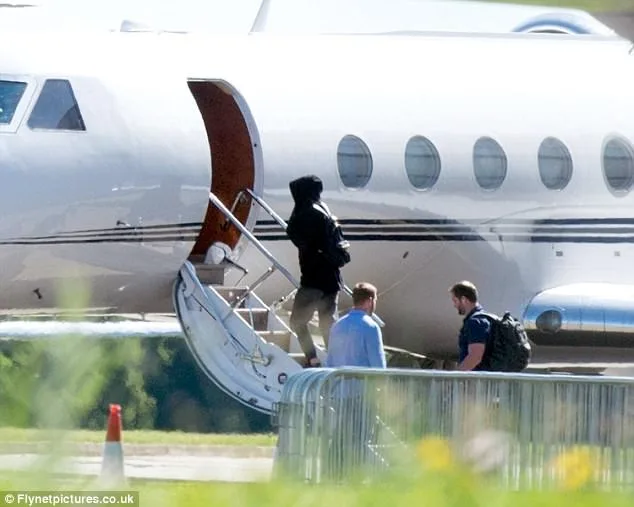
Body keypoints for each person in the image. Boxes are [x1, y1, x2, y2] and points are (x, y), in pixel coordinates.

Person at [286, 175, 351, 367]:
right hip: (333, 279)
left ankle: (312, 358)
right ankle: (335, 360)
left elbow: (293, 233)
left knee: (297, 321)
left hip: (313, 280)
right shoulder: (324, 209)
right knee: (328, 323)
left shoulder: (306, 213)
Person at [326, 282, 386, 368]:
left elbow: (330, 361)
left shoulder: (337, 325)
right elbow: (378, 365)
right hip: (362, 377)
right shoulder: (371, 327)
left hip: (338, 376)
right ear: (369, 301)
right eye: (375, 300)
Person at [449, 280, 491, 371]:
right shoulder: (481, 318)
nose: (454, 305)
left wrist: (457, 375)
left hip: (476, 377)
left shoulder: (475, 322)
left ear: (463, 299)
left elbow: (475, 356)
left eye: (455, 301)